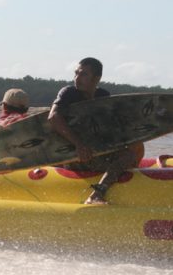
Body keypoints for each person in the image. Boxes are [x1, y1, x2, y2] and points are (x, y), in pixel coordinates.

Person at [48, 57, 141, 205]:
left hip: (95, 153)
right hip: (74, 155)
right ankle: (97, 195)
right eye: (76, 73)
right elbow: (53, 117)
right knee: (128, 157)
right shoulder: (69, 93)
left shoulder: (103, 96)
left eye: (83, 74)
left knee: (131, 152)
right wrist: (78, 145)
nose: (77, 78)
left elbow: (109, 127)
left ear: (97, 78)